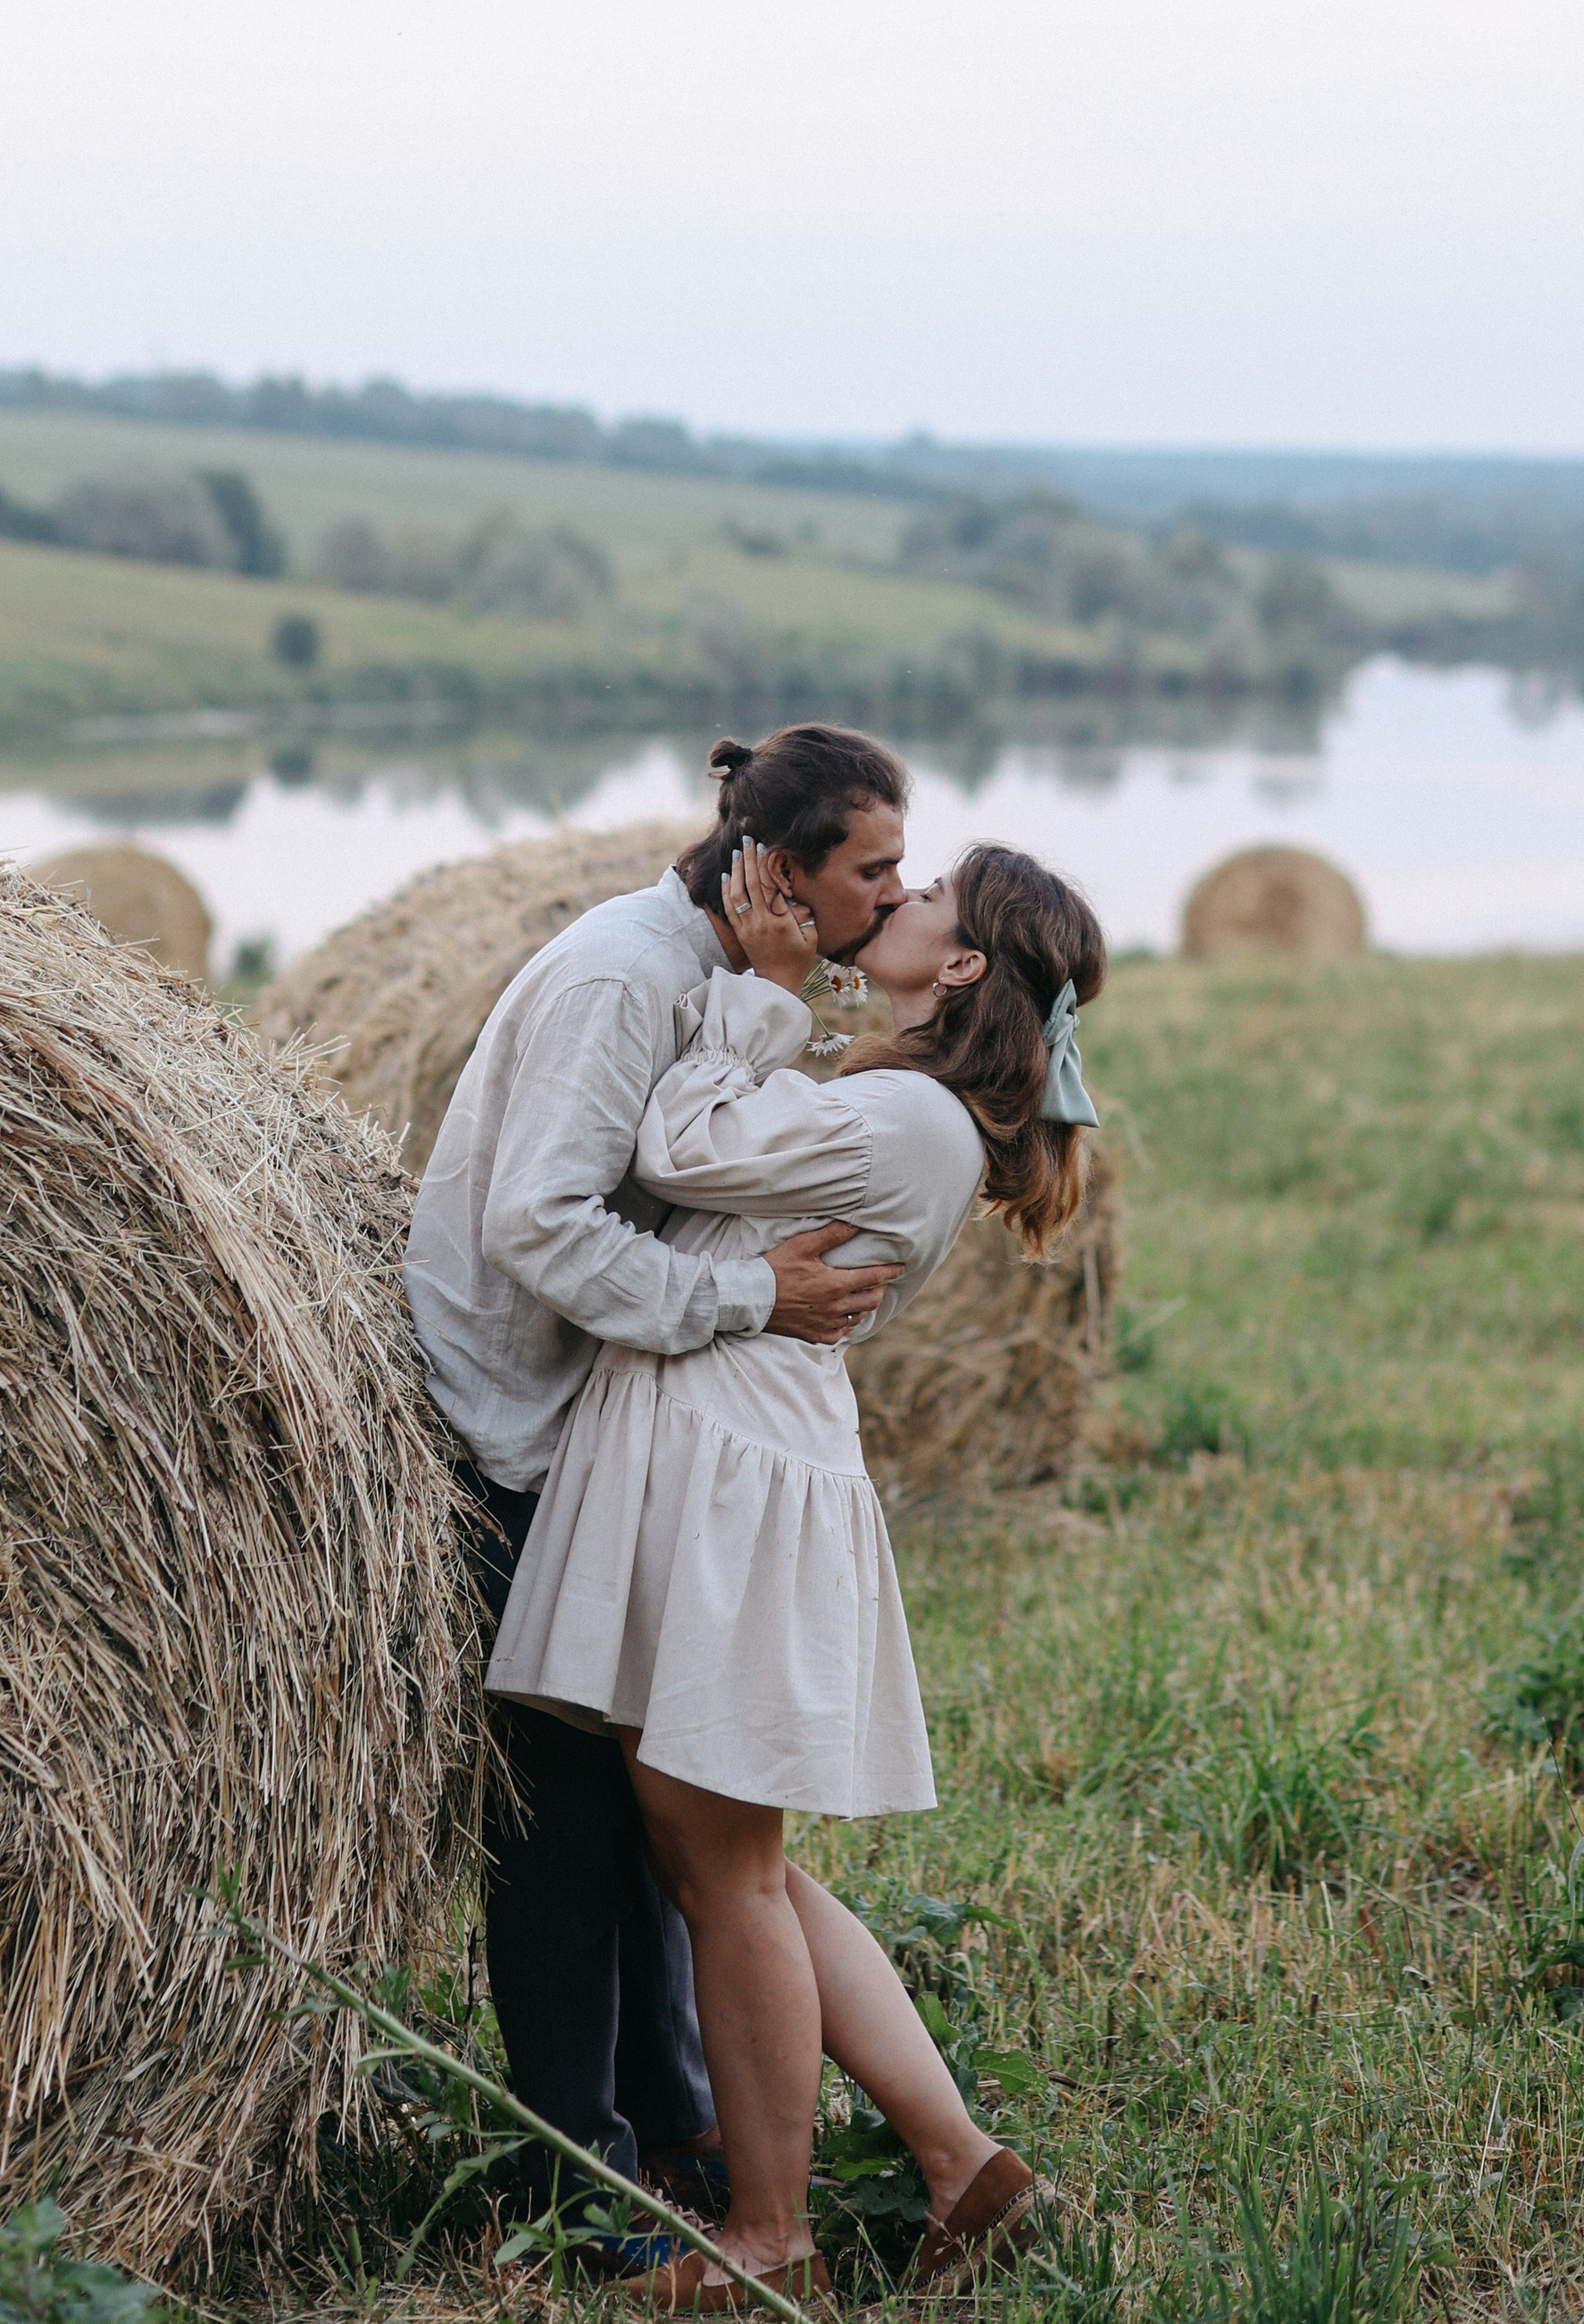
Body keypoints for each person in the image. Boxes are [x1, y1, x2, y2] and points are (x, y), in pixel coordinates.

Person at [489, 836, 1107, 2309]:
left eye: (932, 894)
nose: (896, 899)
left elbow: (674, 1150)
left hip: (726, 1476)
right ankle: (962, 2166)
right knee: (737, 1862)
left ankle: (771, 2242)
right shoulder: (907, 1099)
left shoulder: (903, 1115)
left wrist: (764, 989)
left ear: (964, 966)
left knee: (726, 1877)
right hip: (720, 1457)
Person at [402, 724, 919, 2228]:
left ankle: (684, 2126)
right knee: (562, 1825)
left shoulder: (722, 977)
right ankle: (585, 2173)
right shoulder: (625, 976)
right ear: (777, 868)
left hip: (615, 1432)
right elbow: (540, 1227)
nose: (893, 899)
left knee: (658, 1796)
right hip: (512, 1425)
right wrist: (752, 1299)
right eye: (872, 871)